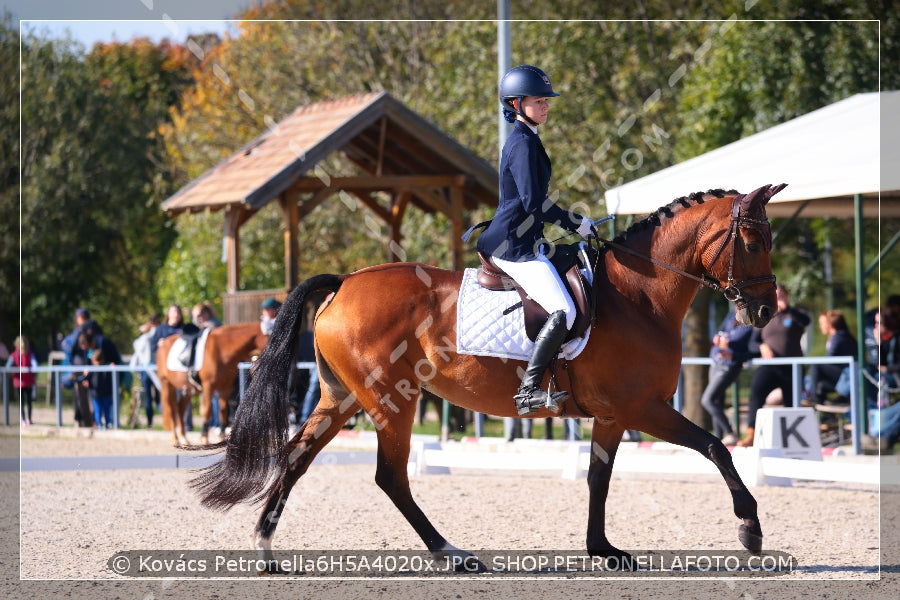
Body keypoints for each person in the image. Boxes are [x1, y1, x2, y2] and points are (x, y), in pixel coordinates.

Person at [469, 64, 596, 416]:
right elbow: (532, 203)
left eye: (546, 100)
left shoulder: (528, 140)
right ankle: (528, 391)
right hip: (511, 247)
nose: (546, 106)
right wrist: (576, 222)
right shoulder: (522, 144)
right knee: (564, 310)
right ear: (515, 103)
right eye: (538, 100)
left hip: (526, 240)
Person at [738, 284, 811, 447]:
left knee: (792, 402)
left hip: (792, 366)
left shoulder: (795, 316)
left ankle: (793, 441)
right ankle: (751, 433)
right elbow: (752, 344)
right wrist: (762, 347)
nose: (779, 298)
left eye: (782, 295)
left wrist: (788, 309)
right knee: (756, 393)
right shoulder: (765, 317)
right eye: (776, 295)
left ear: (787, 296)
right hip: (771, 366)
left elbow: (807, 321)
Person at [700, 310, 755, 445]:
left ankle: (731, 433)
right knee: (717, 402)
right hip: (716, 361)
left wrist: (734, 356)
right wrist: (717, 340)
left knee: (707, 400)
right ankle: (718, 439)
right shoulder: (731, 314)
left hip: (729, 366)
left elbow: (754, 350)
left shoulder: (754, 321)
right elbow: (721, 332)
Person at [804, 309, 857, 404]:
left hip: (846, 376)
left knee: (816, 366)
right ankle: (826, 412)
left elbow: (827, 361)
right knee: (819, 383)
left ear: (830, 324)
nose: (820, 326)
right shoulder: (840, 336)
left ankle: (814, 397)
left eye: (822, 323)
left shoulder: (839, 337)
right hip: (843, 374)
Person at [130, 314, 161, 427]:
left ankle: (150, 423)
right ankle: (160, 421)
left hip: (148, 370)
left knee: (150, 398)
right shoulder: (157, 334)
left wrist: (142, 332)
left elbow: (136, 345)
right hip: (152, 369)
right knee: (158, 397)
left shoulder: (146, 337)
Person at [79, 345, 114, 429]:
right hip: (95, 394)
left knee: (107, 410)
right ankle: (99, 425)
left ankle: (108, 423)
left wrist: (112, 368)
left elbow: (111, 378)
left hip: (106, 393)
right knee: (97, 410)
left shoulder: (106, 368)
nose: (95, 364)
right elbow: (86, 378)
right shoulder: (91, 369)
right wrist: (85, 378)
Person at [7, 336, 38, 426]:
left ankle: (23, 420)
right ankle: (29, 419)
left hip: (19, 382)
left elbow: (8, 367)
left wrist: (14, 373)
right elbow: (35, 366)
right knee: (29, 401)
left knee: (22, 402)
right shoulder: (30, 354)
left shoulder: (14, 355)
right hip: (28, 381)